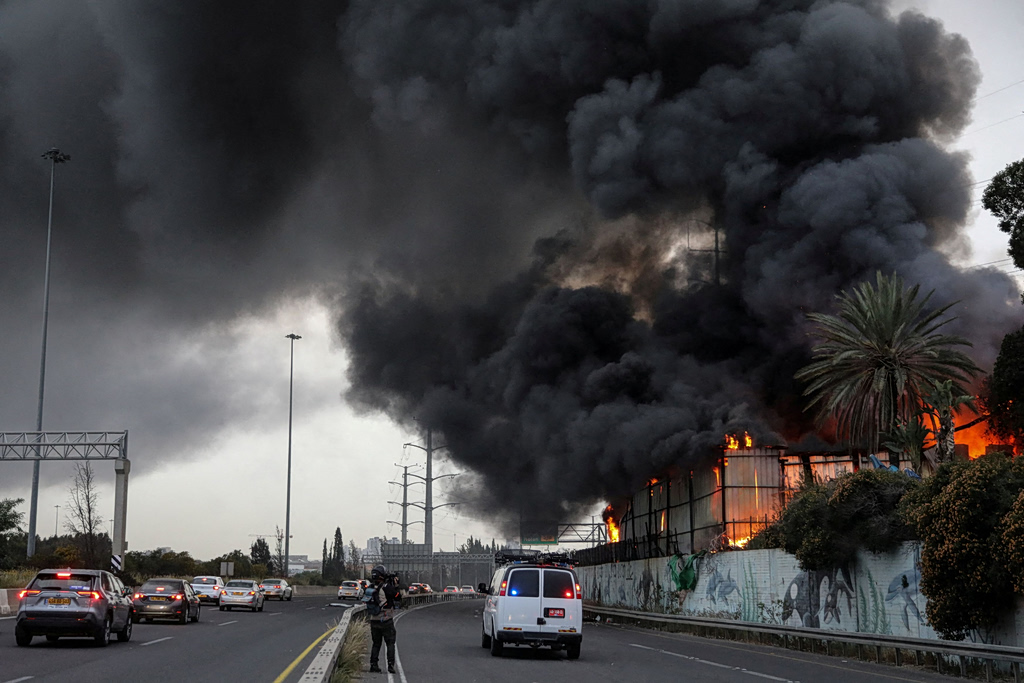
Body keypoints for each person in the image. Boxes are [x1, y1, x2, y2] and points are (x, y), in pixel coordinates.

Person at [365, 564, 401, 674]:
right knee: (390, 643)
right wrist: (396, 586)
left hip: (373, 620)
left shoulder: (370, 587)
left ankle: (373, 665)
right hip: (386, 620)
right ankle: (390, 665)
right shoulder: (386, 587)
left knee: (376, 643)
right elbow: (397, 597)